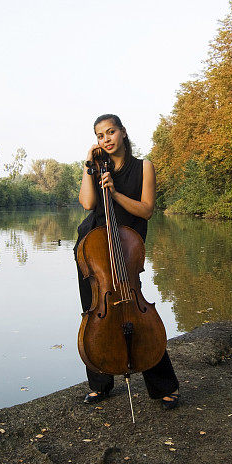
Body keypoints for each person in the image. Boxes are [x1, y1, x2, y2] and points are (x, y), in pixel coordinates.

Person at [74, 113, 180, 410]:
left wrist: (115, 192)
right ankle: (100, 384)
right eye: (99, 136)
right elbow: (88, 204)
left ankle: (163, 386)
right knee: (95, 312)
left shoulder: (144, 166)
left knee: (137, 312)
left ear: (122, 132)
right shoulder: (95, 167)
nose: (105, 139)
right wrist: (88, 165)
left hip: (128, 249)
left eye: (110, 132)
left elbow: (145, 210)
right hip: (94, 249)